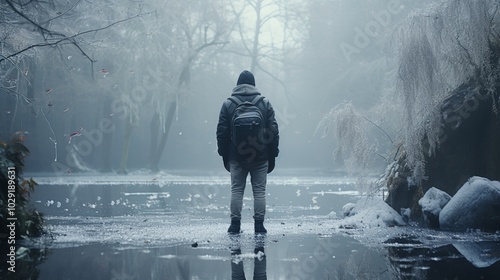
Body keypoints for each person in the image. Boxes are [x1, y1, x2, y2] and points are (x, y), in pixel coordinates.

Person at [216, 70, 279, 234]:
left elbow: (221, 133)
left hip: (236, 156)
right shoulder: (264, 103)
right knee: (259, 191)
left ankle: (235, 225)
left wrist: (225, 156)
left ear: (237, 85)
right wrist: (272, 155)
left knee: (236, 190)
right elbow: (273, 132)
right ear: (254, 85)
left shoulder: (228, 104)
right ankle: (259, 225)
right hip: (260, 156)